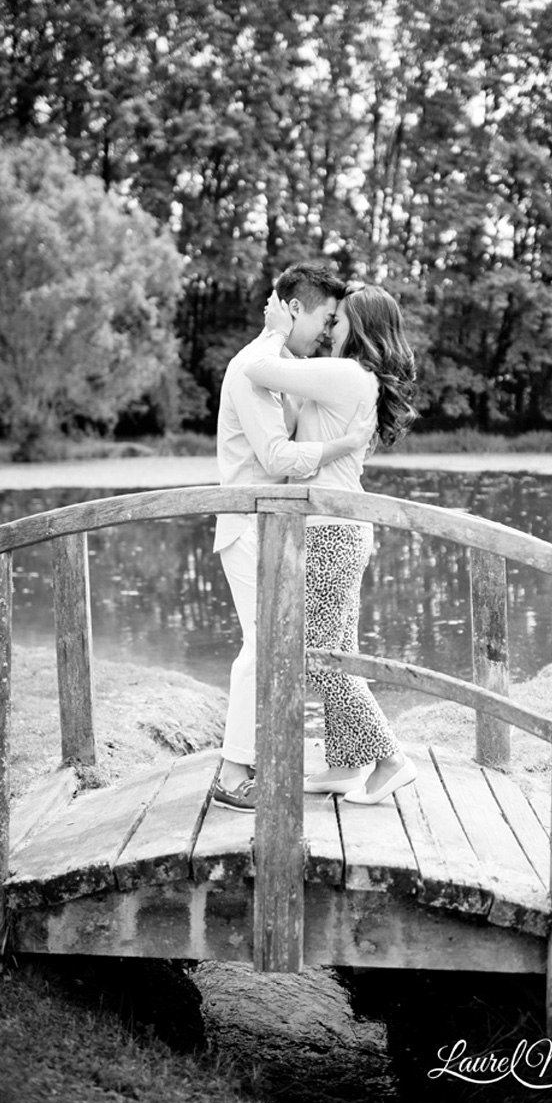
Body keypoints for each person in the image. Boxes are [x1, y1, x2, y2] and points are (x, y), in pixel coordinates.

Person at [244, 282, 418, 805]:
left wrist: (276, 332)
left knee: (320, 656)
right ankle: (346, 765)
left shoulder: (348, 373)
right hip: (340, 528)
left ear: (358, 328)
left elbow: (260, 370)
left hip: (329, 532)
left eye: (337, 321)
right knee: (337, 651)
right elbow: (298, 425)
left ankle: (390, 758)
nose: (328, 330)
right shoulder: (350, 381)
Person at [213, 263, 374, 811]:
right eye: (325, 319)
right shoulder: (250, 368)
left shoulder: (281, 367)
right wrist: (344, 444)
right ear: (295, 310)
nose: (328, 332)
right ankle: (235, 776)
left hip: (273, 531)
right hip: (247, 527)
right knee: (263, 647)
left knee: (274, 646)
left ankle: (257, 762)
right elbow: (278, 458)